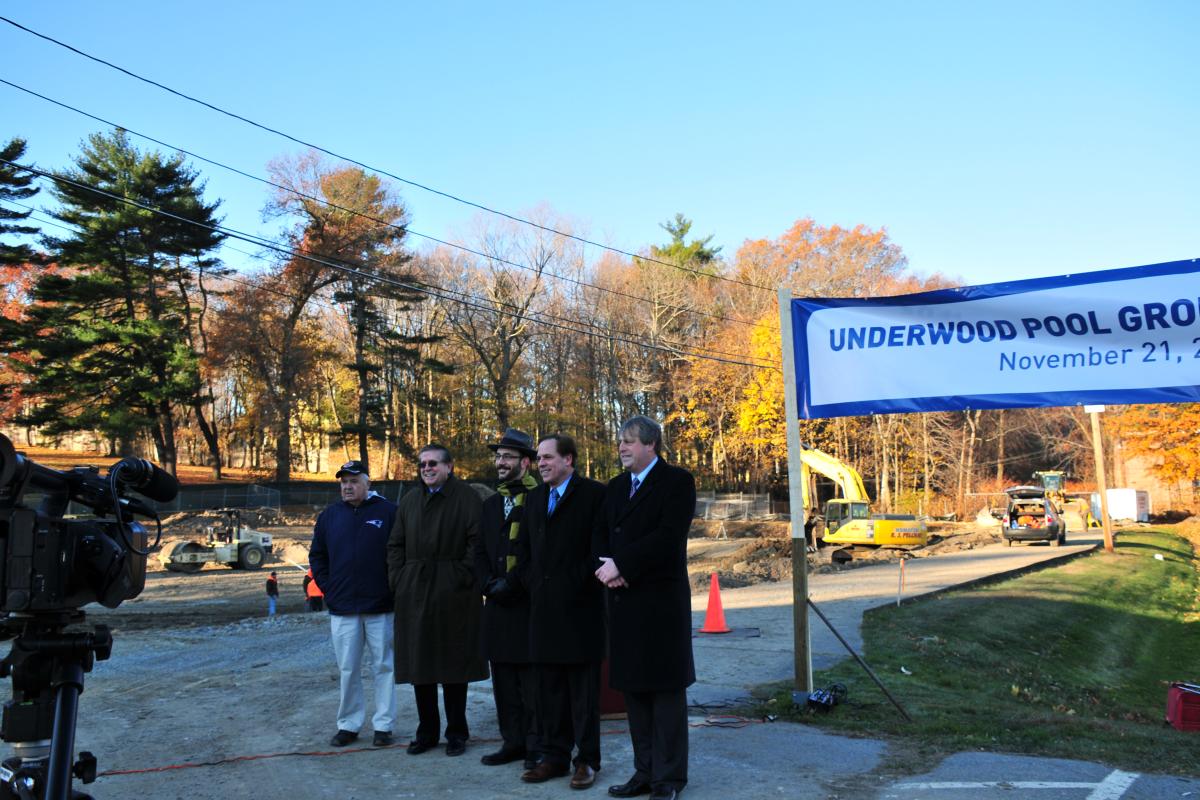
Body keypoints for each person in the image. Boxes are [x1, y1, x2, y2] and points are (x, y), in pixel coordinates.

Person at [594, 416, 696, 800]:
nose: (621, 447)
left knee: (665, 694)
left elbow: (668, 537)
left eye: (629, 441)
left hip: (660, 605)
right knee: (634, 693)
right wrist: (607, 569)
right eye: (620, 440)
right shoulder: (616, 487)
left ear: (651, 444)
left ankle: (668, 778)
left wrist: (622, 565)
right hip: (623, 603)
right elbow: (600, 533)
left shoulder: (677, 482)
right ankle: (645, 771)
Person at [515, 434, 606, 790]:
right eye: (539, 458)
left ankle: (587, 761)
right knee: (549, 691)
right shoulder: (536, 498)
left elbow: (598, 551)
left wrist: (569, 584)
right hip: (543, 612)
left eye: (548, 457)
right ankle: (554, 757)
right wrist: (533, 582)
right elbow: (524, 550)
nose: (541, 463)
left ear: (569, 459)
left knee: (583, 695)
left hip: (580, 610)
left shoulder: (593, 495)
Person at [389, 444, 488, 757]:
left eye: (433, 463)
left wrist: (460, 576)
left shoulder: (467, 498)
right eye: (422, 464)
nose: (427, 469)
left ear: (449, 466)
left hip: (454, 592)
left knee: (454, 664)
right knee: (421, 665)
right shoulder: (410, 500)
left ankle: (457, 732)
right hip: (415, 590)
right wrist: (399, 579)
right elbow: (395, 544)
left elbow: (477, 543)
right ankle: (427, 732)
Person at [309, 460, 399, 749]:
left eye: (354, 481)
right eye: (343, 482)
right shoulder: (330, 516)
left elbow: (400, 553)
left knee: (384, 666)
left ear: (368, 483)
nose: (347, 487)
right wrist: (329, 588)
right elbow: (317, 556)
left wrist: (393, 588)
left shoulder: (388, 512)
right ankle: (348, 724)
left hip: (380, 605)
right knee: (348, 669)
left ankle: (383, 725)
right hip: (343, 606)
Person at [474, 429, 541, 770]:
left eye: (508, 457)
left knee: (531, 682)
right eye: (498, 456)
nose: (500, 462)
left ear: (525, 463)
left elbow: (539, 552)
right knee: (503, 681)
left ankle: (535, 744)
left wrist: (513, 583)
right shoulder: (489, 505)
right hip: (497, 605)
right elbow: (479, 550)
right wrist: (487, 583)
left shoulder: (539, 499)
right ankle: (512, 741)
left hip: (527, 603)